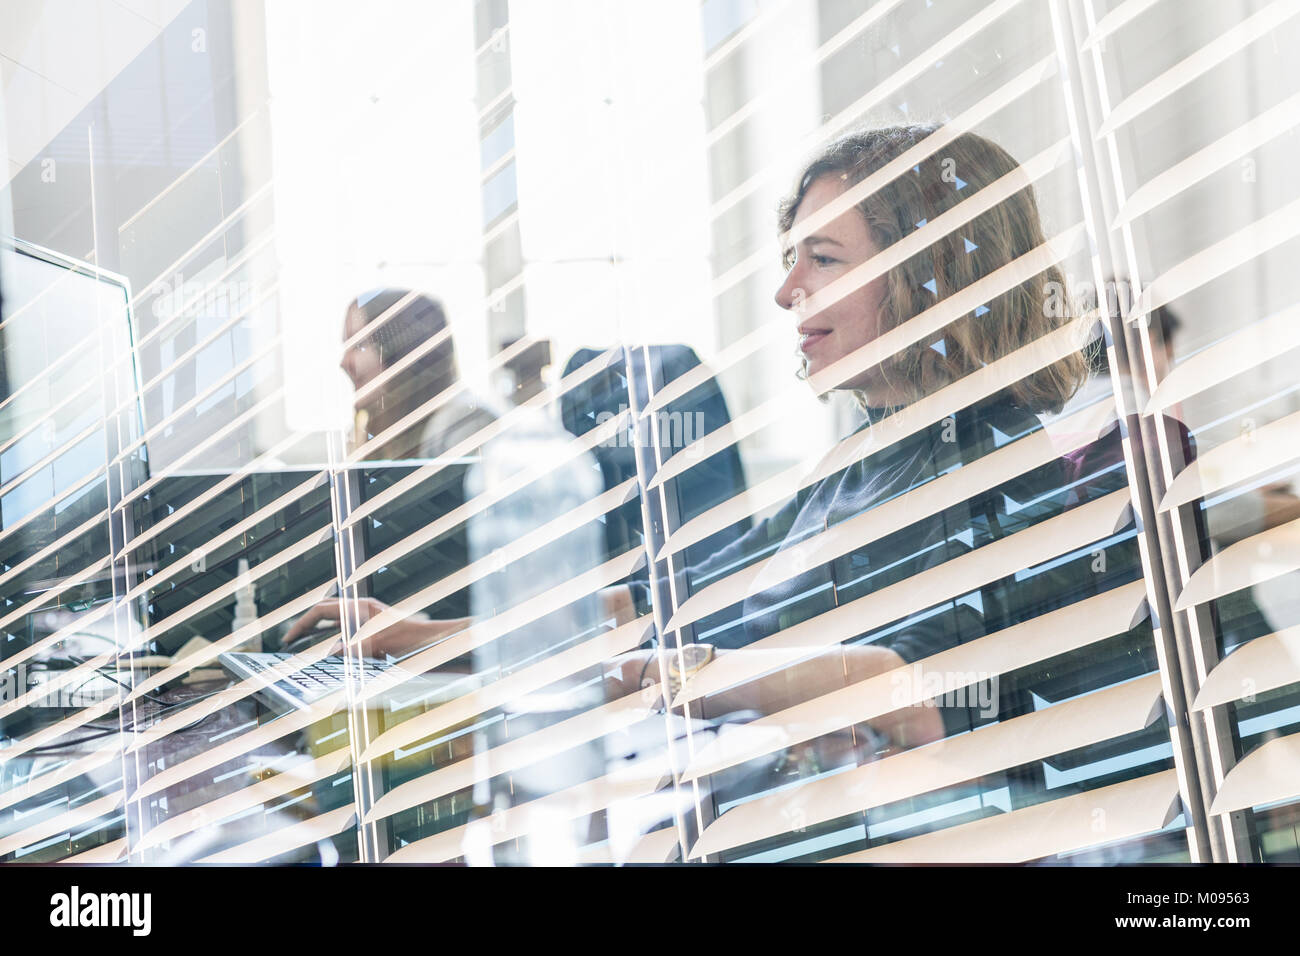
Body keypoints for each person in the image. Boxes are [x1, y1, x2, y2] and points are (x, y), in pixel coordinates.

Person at [288, 124, 1090, 765]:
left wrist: (639, 677)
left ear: (932, 276)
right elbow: (647, 608)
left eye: (823, 258)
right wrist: (418, 638)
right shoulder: (862, 460)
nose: (785, 293)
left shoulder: (987, 470)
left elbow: (897, 693)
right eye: (790, 260)